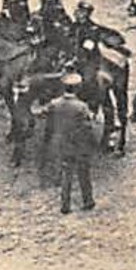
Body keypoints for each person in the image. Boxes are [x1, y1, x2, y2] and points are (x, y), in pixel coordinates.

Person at [43, 74, 97, 213]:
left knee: (66, 173)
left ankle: (65, 205)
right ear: (78, 88)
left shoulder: (54, 104)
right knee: (83, 172)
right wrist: (92, 143)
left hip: (62, 143)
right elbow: (88, 127)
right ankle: (88, 201)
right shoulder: (82, 107)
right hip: (79, 144)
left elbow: (48, 122)